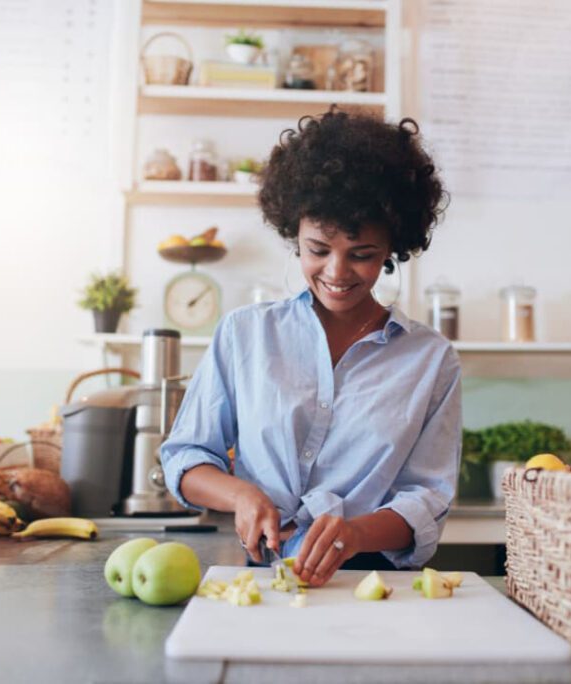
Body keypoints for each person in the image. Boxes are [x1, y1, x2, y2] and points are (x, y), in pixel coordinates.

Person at [160, 108, 460, 588]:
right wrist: (241, 495)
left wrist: (356, 534)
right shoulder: (245, 335)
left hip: (376, 585)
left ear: (392, 249)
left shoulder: (431, 360)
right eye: (318, 249)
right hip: (264, 582)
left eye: (361, 255)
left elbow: (427, 497)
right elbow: (187, 455)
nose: (337, 273)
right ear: (293, 234)